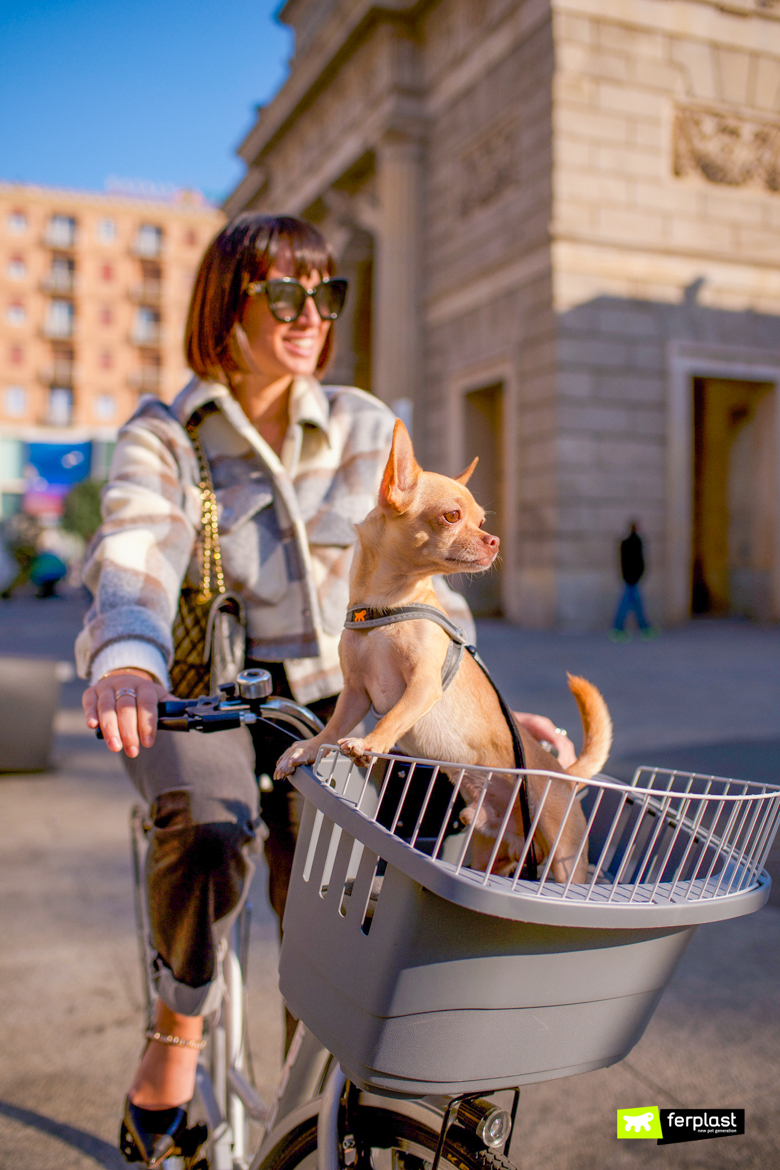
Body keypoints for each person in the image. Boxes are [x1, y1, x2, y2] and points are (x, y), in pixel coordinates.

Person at [76, 213, 574, 1167]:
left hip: (337, 699)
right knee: (212, 827)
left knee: (349, 896)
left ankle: (314, 1100)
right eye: (285, 295)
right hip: (212, 696)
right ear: (228, 305)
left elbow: (421, 593)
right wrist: (128, 658)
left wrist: (477, 707)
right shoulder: (168, 433)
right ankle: (175, 1042)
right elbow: (136, 545)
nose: (311, 315)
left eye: (327, 295)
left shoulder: (361, 422)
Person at [609, 520, 657, 640]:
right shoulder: (637, 542)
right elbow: (641, 561)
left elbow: (622, 562)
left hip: (628, 578)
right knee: (629, 605)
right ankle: (621, 628)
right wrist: (640, 574)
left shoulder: (624, 543)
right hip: (633, 579)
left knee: (635, 605)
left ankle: (642, 628)